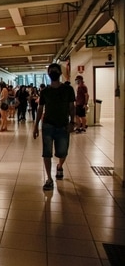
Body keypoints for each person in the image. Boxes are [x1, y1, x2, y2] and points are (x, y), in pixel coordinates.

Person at [33, 63, 75, 191]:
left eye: (56, 70)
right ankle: (49, 179)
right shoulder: (45, 91)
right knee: (47, 152)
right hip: (48, 126)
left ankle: (59, 166)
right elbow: (40, 109)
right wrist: (36, 126)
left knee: (62, 151)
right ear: (48, 74)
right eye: (51, 71)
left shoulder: (68, 90)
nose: (53, 72)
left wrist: (72, 122)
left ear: (60, 73)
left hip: (63, 125)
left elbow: (71, 107)